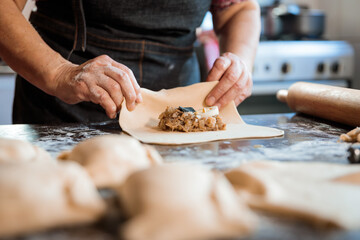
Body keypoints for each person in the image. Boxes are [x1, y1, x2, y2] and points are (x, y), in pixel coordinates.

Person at [0, 0, 260, 124]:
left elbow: (238, 8)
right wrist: (59, 73)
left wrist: (241, 61)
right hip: (66, 104)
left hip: (181, 109)